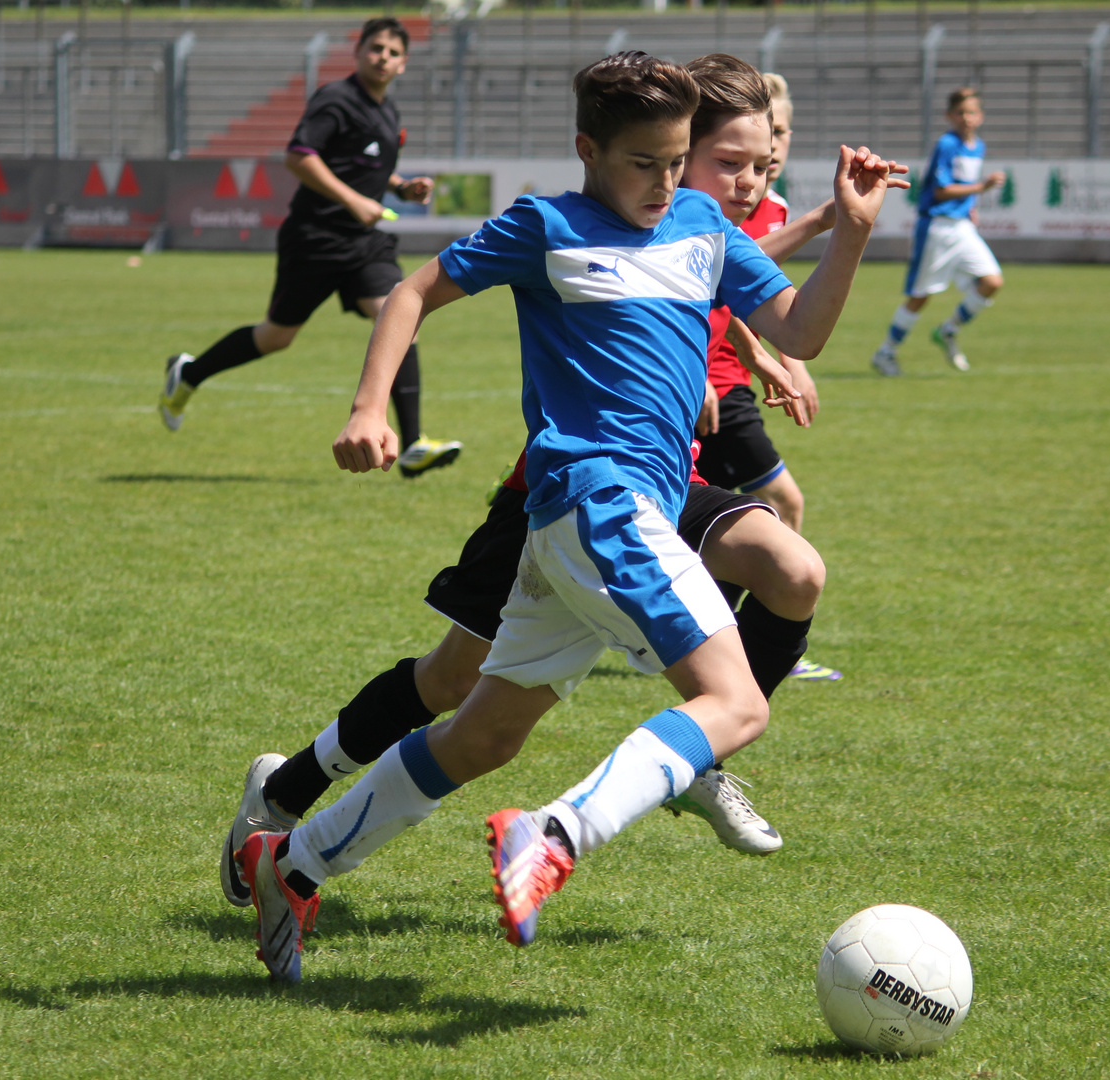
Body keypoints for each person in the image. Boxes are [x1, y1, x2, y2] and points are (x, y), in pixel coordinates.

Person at [235, 51, 903, 982]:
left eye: (678, 161)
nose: (665, 183)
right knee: (735, 700)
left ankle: (291, 864)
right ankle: (554, 835)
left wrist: (855, 234)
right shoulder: (545, 227)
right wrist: (368, 407)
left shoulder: (704, 223)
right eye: (644, 164)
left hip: (598, 525)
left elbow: (799, 333)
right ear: (589, 148)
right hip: (597, 501)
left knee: (481, 736)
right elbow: (413, 290)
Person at [156, 16, 462, 478]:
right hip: (315, 239)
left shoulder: (387, 112)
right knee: (277, 336)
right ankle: (190, 373)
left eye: (393, 52)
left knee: (400, 315)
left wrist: (401, 189)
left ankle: (414, 443)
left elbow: (367, 169)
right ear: (358, 52)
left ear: (403, 64)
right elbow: (299, 156)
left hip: (364, 243)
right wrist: (355, 200)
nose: (383, 57)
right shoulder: (336, 99)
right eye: (375, 48)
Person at [683, 59, 841, 684]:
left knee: (484, 700)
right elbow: (708, 279)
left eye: (772, 150)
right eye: (734, 158)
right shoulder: (665, 225)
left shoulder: (752, 207)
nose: (751, 176)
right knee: (781, 502)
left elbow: (736, 293)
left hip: (726, 384)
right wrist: (698, 371)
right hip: (700, 397)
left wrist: (768, 359)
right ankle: (727, 638)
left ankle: (726, 643)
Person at [871, 87, 1006, 377]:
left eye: (971, 112)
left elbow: (961, 186)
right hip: (938, 227)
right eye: (960, 112)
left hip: (963, 227)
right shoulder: (946, 144)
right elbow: (942, 190)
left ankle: (948, 329)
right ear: (949, 116)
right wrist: (980, 188)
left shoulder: (977, 145)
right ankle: (886, 352)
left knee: (992, 281)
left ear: (980, 116)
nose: (966, 118)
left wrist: (971, 205)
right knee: (921, 296)